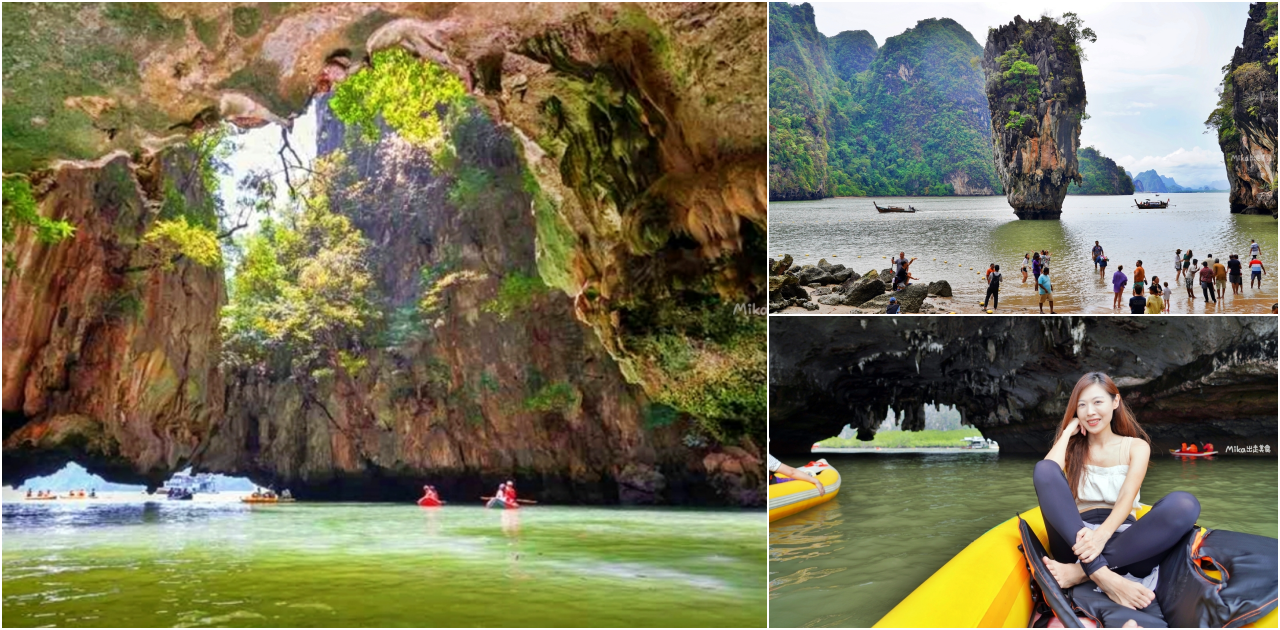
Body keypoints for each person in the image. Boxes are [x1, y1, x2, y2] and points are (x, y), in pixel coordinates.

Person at [1033, 372, 1200, 610]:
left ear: (1115, 402)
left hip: (1125, 545)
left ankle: (1081, 573)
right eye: (1082, 405)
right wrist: (1068, 431)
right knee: (1044, 469)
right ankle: (1104, 576)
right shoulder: (1071, 449)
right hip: (1076, 541)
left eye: (1097, 402)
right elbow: (1046, 475)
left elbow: (1126, 497)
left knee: (1185, 503)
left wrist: (1100, 537)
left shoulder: (1136, 446)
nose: (1090, 412)